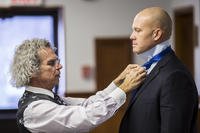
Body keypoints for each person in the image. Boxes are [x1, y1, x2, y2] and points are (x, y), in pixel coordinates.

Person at [10, 38, 146, 133]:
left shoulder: (47, 98)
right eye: (51, 63)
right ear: (32, 71)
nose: (60, 66)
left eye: (58, 61)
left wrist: (117, 83)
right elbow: (86, 116)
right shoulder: (35, 109)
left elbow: (88, 104)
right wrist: (123, 89)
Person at [119, 7, 199, 133]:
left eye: (137, 30)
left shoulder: (176, 76)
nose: (131, 36)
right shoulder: (149, 68)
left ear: (156, 34)